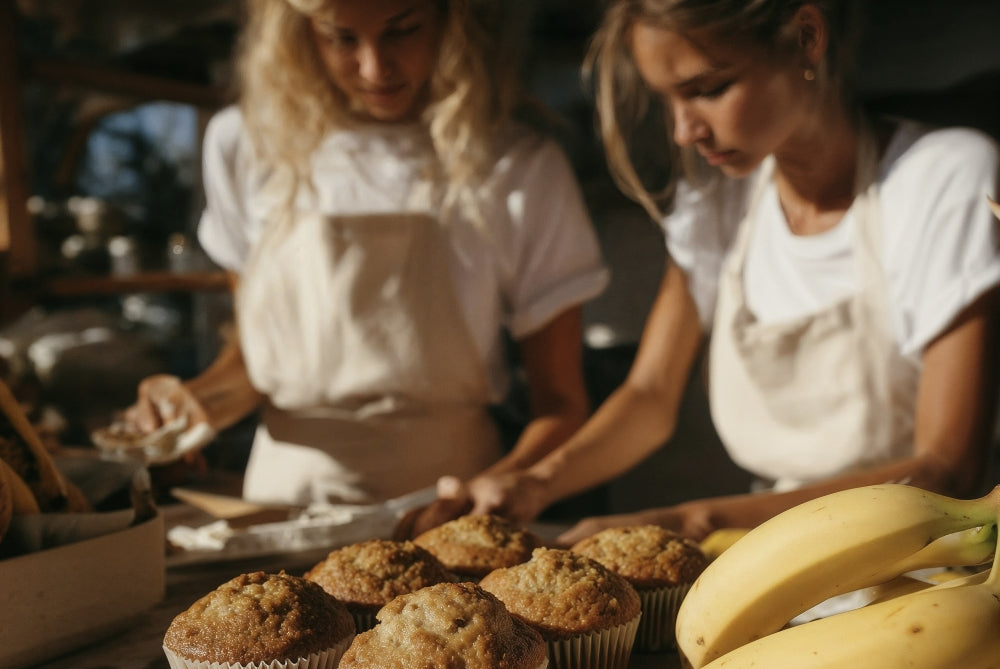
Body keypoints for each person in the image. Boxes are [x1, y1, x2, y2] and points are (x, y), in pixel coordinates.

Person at [415, 0, 1000, 544]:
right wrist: (536, 483)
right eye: (668, 99)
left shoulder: (942, 180)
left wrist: (694, 518)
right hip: (772, 551)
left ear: (805, 38)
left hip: (930, 560)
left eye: (708, 89)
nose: (683, 130)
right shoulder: (722, 204)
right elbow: (649, 397)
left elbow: (945, 467)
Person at [120, 0, 609, 506]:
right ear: (299, 33)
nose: (375, 67)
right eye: (341, 38)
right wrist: (191, 408)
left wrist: (488, 497)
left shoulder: (517, 166)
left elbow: (562, 405)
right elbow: (256, 360)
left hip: (445, 505)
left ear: (453, 21)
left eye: (403, 31)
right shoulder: (247, 145)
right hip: (279, 503)